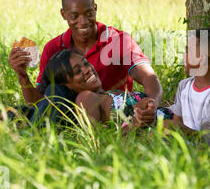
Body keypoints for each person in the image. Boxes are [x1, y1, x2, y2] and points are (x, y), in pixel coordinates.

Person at [8, 0, 161, 126]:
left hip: (107, 114)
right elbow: (41, 102)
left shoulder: (118, 41)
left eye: (88, 13)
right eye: (74, 16)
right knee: (53, 92)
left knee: (22, 113)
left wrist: (150, 106)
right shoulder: (54, 48)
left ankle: (23, 124)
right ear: (63, 14)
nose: (83, 21)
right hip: (67, 118)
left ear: (95, 8)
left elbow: (149, 78)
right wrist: (22, 75)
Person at [28, 49, 173, 130]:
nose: (86, 70)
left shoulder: (109, 94)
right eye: (77, 71)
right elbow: (96, 141)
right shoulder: (85, 98)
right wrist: (136, 123)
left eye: (85, 63)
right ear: (67, 86)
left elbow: (151, 79)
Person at [162, 29, 210, 147]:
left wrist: (178, 127)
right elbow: (177, 120)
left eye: (188, 51)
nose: (184, 55)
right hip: (194, 140)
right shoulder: (184, 86)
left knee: (206, 129)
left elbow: (209, 136)